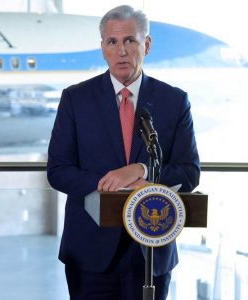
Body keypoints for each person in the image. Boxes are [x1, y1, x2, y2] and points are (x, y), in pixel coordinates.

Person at [47, 5, 200, 300]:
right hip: (90, 252)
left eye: (130, 40)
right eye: (112, 42)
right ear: (103, 48)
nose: (122, 51)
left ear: (147, 44)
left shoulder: (174, 101)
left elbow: (189, 172)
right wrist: (113, 182)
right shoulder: (75, 99)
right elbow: (59, 171)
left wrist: (141, 170)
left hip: (151, 251)